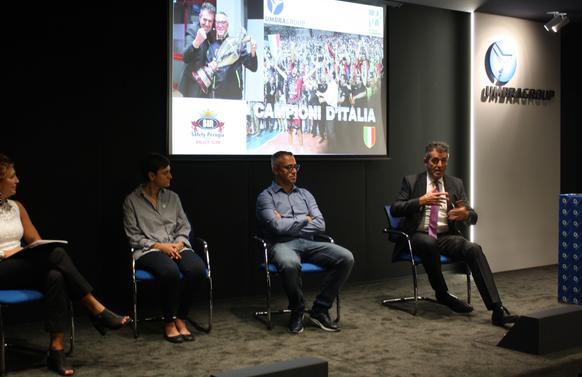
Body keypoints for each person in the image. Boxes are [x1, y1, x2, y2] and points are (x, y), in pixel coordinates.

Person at [0, 153, 130, 376]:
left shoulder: (16, 207)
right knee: (57, 256)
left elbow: (36, 243)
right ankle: (96, 309)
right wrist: (9, 252)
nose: (17, 180)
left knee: (56, 275)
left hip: (20, 265)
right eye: (12, 176)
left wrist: (28, 251)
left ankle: (56, 349)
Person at [390, 141, 518, 326]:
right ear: (425, 161)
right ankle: (442, 293)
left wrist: (465, 214)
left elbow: (472, 216)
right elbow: (395, 209)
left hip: (445, 235)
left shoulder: (455, 184)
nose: (439, 165)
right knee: (428, 243)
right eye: (435, 160)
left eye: (443, 161)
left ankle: (497, 309)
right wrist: (420, 201)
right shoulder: (411, 181)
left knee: (473, 248)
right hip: (418, 235)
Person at [256, 151, 354, 334]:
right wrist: (305, 220)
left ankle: (320, 310)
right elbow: (276, 229)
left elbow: (320, 224)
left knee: (346, 257)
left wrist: (286, 220)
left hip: (308, 243)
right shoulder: (266, 197)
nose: (294, 171)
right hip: (281, 244)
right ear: (276, 169)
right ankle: (297, 310)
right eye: (288, 167)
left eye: (296, 167)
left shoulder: (305, 194)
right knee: (289, 263)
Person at [123, 153, 207, 343]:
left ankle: (181, 318)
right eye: (165, 173)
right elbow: (134, 237)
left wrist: (178, 243)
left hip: (177, 245)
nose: (171, 177)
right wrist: (161, 246)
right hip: (149, 250)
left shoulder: (173, 198)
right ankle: (169, 322)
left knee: (197, 270)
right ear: (152, 176)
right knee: (169, 271)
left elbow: (184, 226)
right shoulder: (131, 201)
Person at [207, 11, 258, 99]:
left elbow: (253, 67)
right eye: (218, 22)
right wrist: (210, 67)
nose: (220, 25)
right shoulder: (211, 47)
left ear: (227, 25)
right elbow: (208, 70)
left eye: (223, 22)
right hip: (218, 94)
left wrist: (253, 52)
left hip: (235, 94)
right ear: (215, 25)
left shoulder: (236, 44)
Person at [178, 2, 216, 98]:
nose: (207, 24)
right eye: (205, 20)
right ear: (199, 17)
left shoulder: (212, 35)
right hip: (191, 86)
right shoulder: (192, 30)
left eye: (210, 21)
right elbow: (185, 57)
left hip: (206, 86)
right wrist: (196, 43)